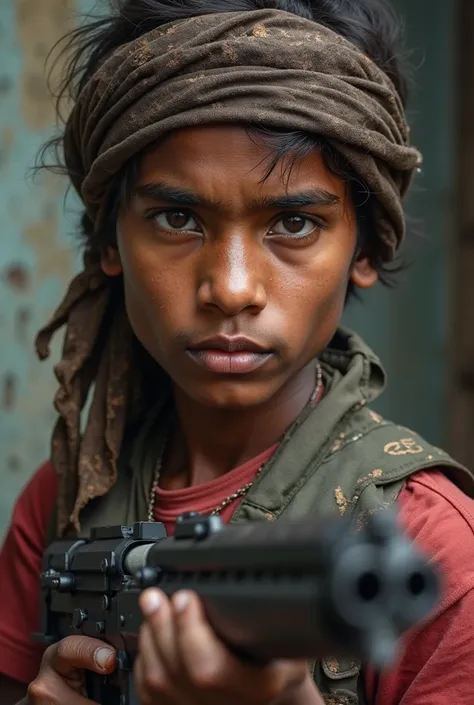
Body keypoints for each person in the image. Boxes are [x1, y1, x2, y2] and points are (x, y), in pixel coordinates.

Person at [1, 0, 474, 703]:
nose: (230, 287)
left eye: (292, 222)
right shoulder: (67, 497)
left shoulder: (432, 546)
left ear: (366, 247)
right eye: (178, 217)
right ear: (108, 243)